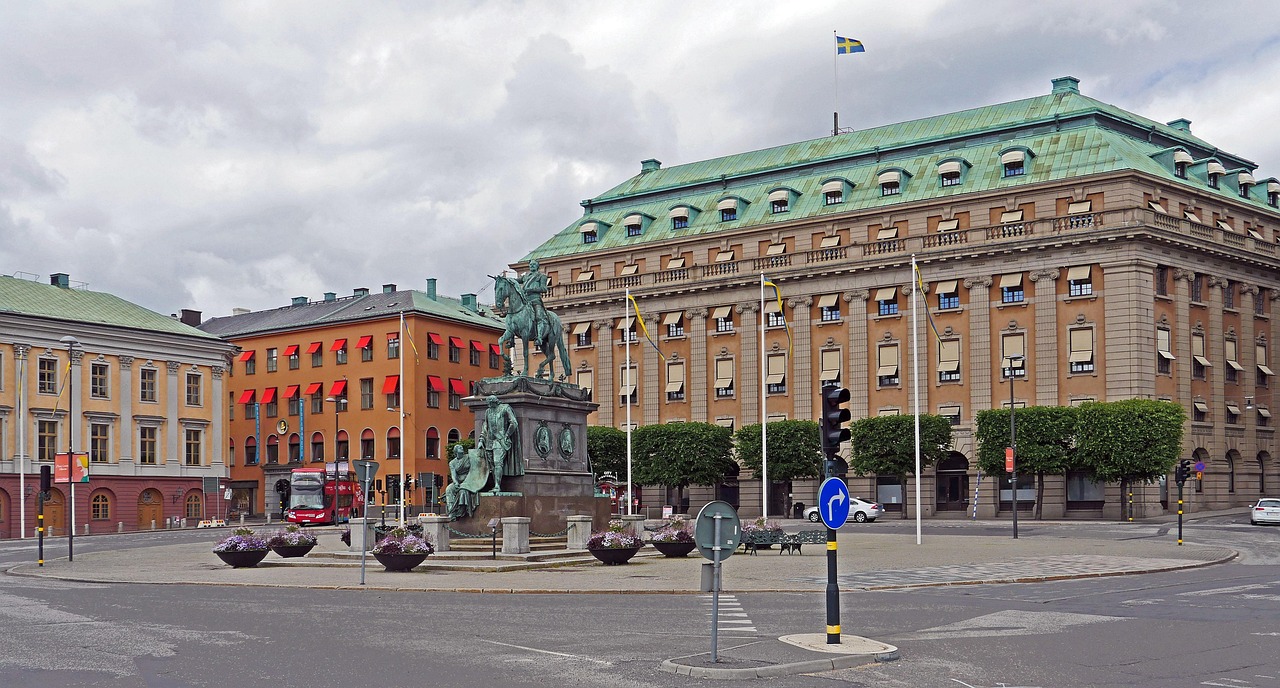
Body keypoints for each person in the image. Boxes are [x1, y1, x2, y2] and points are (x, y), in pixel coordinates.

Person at [485, 395, 522, 492]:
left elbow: (514, 422)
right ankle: (495, 484)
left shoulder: (505, 408)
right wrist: (481, 439)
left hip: (500, 441)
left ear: (494, 401)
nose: (488, 405)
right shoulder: (488, 411)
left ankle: (497, 486)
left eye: (489, 403)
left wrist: (506, 436)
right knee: (492, 465)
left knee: (498, 462)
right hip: (489, 441)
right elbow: (485, 425)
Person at [516, 258, 550, 343]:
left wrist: (532, 289)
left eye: (534, 264)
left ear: (538, 266)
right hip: (525, 301)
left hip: (535, 300)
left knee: (539, 317)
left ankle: (539, 337)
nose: (531, 266)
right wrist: (506, 279)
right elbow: (516, 281)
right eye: (530, 265)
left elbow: (544, 288)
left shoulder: (542, 276)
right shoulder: (526, 276)